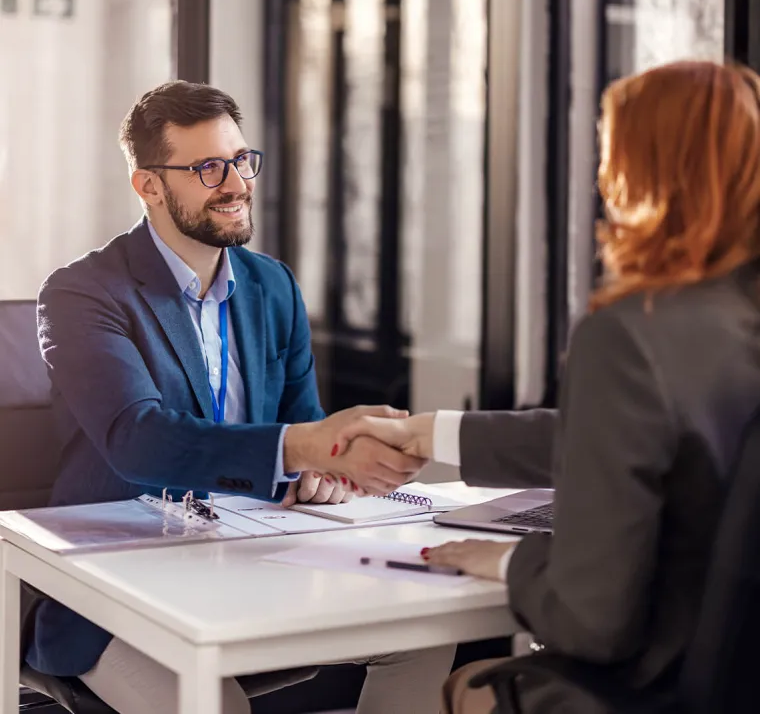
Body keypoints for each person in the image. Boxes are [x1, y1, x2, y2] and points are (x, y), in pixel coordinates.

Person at [336, 60, 760, 713]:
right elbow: (626, 434)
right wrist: (434, 431)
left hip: (653, 689)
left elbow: (594, 621)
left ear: (645, 173)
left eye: (611, 154)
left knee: (464, 686)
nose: (601, 177)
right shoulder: (731, 324)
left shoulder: (630, 334)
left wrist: (510, 562)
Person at [29, 80, 453, 714]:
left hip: (260, 560)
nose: (235, 183)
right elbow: (137, 440)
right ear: (148, 185)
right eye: (207, 168)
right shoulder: (83, 294)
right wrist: (304, 445)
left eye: (240, 160)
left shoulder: (271, 285)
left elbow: (303, 430)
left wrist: (330, 464)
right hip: (117, 587)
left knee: (428, 634)